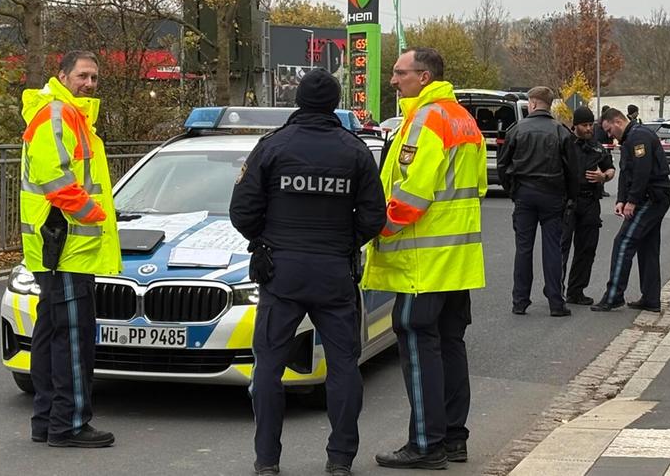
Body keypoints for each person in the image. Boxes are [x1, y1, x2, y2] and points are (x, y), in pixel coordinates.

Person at [229, 69, 386, 476]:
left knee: (268, 366)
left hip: (281, 272)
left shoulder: (272, 146)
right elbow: (374, 217)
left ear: (297, 100)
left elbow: (242, 211)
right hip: (334, 272)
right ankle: (340, 460)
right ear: (336, 103)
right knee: (344, 366)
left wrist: (265, 241)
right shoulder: (354, 151)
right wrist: (344, 242)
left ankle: (267, 460)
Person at [364, 47, 487, 470]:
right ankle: (454, 438)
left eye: (400, 73)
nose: (394, 81)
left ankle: (425, 443)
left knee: (416, 339)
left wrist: (376, 227)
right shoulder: (462, 118)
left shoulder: (426, 119)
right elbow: (479, 187)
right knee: (450, 343)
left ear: (424, 75)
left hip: (423, 260)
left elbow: (412, 192)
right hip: (456, 258)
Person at [20, 51, 121, 448]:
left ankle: (47, 421)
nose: (90, 84)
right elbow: (54, 177)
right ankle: (70, 423)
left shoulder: (67, 114)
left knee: (51, 335)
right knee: (74, 339)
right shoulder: (59, 113)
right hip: (66, 247)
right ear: (62, 75)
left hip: (57, 246)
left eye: (94, 78)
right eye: (83, 76)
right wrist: (91, 212)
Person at [499, 87, 580, 317]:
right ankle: (556, 302)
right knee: (552, 248)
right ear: (549, 104)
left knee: (523, 249)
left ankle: (520, 301)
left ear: (532, 103)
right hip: (553, 196)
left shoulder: (517, 130)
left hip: (524, 194)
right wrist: (571, 198)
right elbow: (573, 170)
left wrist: (512, 190)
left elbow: (503, 166)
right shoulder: (560, 131)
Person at [592, 107, 670, 313]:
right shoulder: (630, 138)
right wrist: (621, 199)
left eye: (610, 130)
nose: (610, 135)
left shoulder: (639, 137)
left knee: (624, 241)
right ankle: (651, 298)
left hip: (652, 197)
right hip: (653, 196)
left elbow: (642, 171)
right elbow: (626, 172)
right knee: (647, 246)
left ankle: (613, 296)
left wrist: (632, 201)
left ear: (618, 122)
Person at [559, 107, 616, 305]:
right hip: (568, 202)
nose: (589, 128)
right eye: (585, 125)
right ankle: (557, 291)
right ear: (575, 125)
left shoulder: (597, 147)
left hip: (590, 202)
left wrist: (604, 177)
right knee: (561, 247)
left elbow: (610, 169)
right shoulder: (565, 144)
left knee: (587, 248)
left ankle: (576, 291)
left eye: (591, 125)